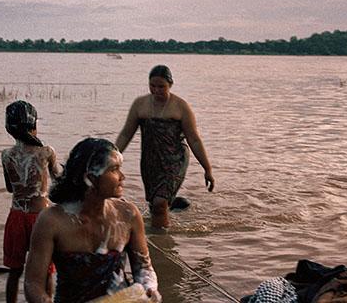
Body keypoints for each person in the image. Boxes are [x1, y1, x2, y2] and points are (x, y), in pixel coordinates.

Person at [24, 138, 160, 303]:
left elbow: (143, 268)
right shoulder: (51, 221)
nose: (122, 177)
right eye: (114, 169)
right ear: (91, 178)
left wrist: (149, 288)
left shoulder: (128, 214)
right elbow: (33, 283)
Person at [115, 64, 215, 229]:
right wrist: (113, 159)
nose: (156, 90)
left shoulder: (181, 106)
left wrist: (207, 169)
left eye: (161, 86)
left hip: (174, 160)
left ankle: (162, 241)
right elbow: (126, 134)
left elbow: (194, 139)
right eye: (152, 86)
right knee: (155, 205)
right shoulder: (140, 104)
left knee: (160, 203)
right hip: (150, 159)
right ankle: (156, 236)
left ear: (170, 85)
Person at [1, 100, 60, 302]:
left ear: (10, 128)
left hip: (16, 216)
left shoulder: (7, 155)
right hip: (41, 218)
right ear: (34, 126)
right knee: (47, 270)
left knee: (14, 271)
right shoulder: (46, 152)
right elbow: (59, 182)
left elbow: (10, 187)